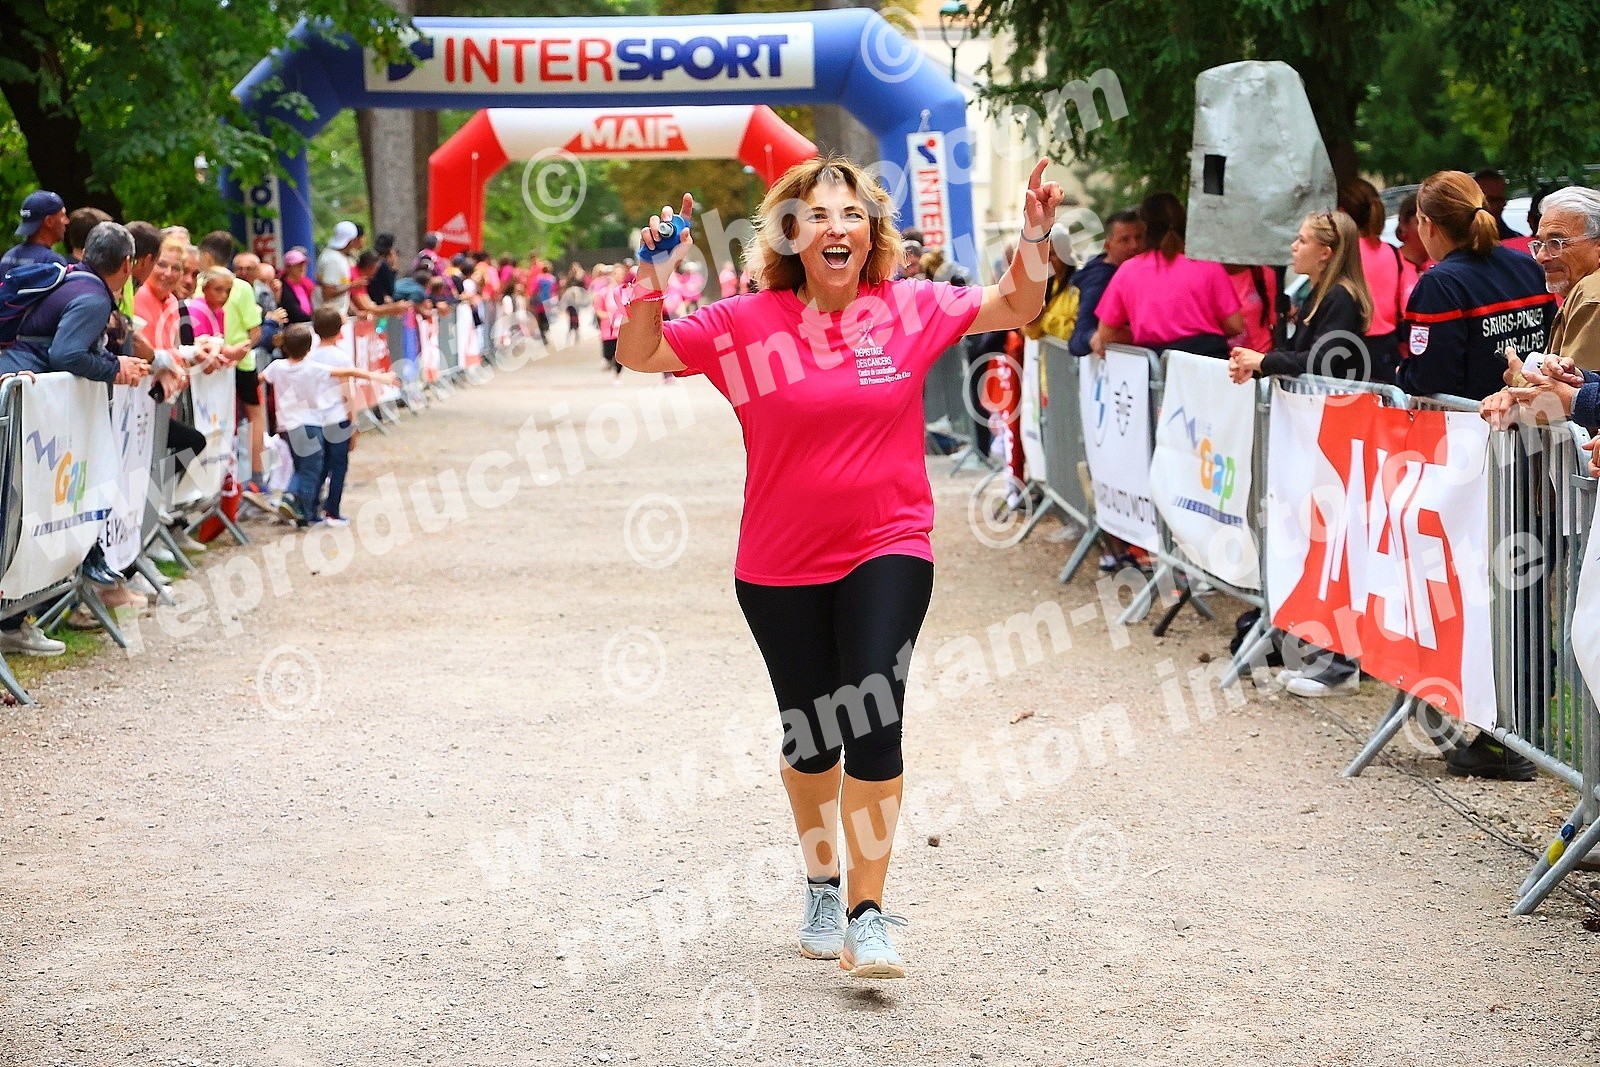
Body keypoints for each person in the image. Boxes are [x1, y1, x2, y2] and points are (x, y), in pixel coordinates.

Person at [616, 155, 1064, 980]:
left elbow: (1018, 303)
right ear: (790, 233)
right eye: (817, 214)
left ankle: (867, 913)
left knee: (874, 715)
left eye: (851, 214)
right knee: (811, 735)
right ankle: (822, 882)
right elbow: (640, 353)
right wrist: (651, 274)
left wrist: (1034, 237)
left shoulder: (909, 307)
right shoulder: (745, 324)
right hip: (778, 563)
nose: (836, 227)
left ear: (871, 233)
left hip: (888, 545)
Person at [0, 222, 151, 652]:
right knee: (18, 510)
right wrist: (115, 368)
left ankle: (16, 621)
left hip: (23, 394)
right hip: (21, 399)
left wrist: (113, 362)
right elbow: (66, 353)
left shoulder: (76, 279)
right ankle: (12, 623)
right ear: (127, 263)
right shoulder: (93, 296)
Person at [1396, 170, 1556, 401]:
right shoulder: (1528, 267)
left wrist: (1403, 375)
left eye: (1420, 221)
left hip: (1471, 418)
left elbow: (1432, 377)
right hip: (1534, 412)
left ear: (1429, 225)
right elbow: (1554, 345)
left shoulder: (1439, 285)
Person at [261, 323, 396, 526]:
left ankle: (302, 510)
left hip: (286, 426)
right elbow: (349, 373)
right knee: (312, 468)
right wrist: (378, 376)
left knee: (301, 466)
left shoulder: (277, 366)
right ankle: (294, 500)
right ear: (308, 348)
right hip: (311, 423)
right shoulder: (312, 367)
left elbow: (259, 378)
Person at [1090, 192, 1244, 358]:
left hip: (1157, 363)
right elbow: (1235, 325)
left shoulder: (1127, 271)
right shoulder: (1208, 266)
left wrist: (1141, 333)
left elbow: (1107, 333)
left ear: (1145, 229)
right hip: (1206, 361)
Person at [1228, 210, 1373, 383]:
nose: (1294, 246)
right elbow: (1295, 353)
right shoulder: (1319, 294)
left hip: (1336, 398)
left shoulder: (1341, 297)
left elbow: (1319, 361)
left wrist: (1263, 361)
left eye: (1302, 241)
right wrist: (1256, 366)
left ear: (1325, 253)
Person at [200, 231, 269, 493]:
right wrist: (241, 349)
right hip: (232, 362)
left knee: (223, 420)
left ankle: (236, 481)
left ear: (206, 255)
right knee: (254, 416)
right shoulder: (240, 287)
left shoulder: (200, 283)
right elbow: (255, 331)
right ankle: (255, 479)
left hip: (215, 363)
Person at [1338, 180, 1404, 381]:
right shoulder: (1392, 251)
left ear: (1342, 212)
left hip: (1355, 348)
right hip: (1389, 346)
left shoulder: (1346, 254)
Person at [307, 307, 360, 525]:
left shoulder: (309, 357)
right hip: (337, 418)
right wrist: (353, 421)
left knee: (319, 466)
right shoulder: (341, 358)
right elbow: (346, 392)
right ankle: (332, 510)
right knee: (338, 466)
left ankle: (311, 508)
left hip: (315, 418)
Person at [1067, 209, 1143, 357]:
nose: (1134, 245)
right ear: (1108, 245)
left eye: (1139, 237)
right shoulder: (1100, 280)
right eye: (1124, 240)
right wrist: (1092, 337)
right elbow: (1078, 338)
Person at [0, 190, 68, 271]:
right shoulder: (52, 262)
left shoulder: (8, 257)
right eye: (62, 216)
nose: (67, 221)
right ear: (49, 221)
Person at [317, 221, 359, 313]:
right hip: (330, 316)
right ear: (351, 241)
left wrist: (356, 312)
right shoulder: (332, 260)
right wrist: (352, 285)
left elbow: (342, 290)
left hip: (339, 314)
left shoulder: (340, 256)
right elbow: (327, 293)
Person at [1474, 169, 1522, 243]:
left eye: (1502, 200)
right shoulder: (1457, 240)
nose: (1500, 205)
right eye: (1492, 200)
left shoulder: (1515, 241)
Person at [279, 248, 316, 324]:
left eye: (303, 264)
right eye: (297, 265)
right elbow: (295, 314)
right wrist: (316, 319)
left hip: (307, 324)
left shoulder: (304, 284)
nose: (302, 267)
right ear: (288, 268)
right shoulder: (284, 288)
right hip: (294, 327)